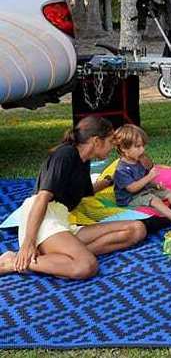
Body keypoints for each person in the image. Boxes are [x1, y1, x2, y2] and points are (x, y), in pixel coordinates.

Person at [0, 116, 147, 279]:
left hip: (62, 220)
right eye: (110, 141)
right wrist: (28, 243)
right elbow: (42, 198)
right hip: (43, 219)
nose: (113, 147)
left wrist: (110, 181)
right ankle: (14, 261)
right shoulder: (65, 154)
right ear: (96, 141)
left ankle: (61, 260)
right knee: (86, 266)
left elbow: (85, 191)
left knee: (136, 229)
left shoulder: (83, 161)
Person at [113, 124, 171, 224]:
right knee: (154, 200)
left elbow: (145, 177)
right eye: (138, 146)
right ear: (123, 148)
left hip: (144, 191)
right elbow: (132, 188)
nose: (142, 150)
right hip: (130, 198)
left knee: (167, 192)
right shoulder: (121, 170)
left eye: (143, 146)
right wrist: (150, 176)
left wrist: (155, 185)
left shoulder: (138, 160)